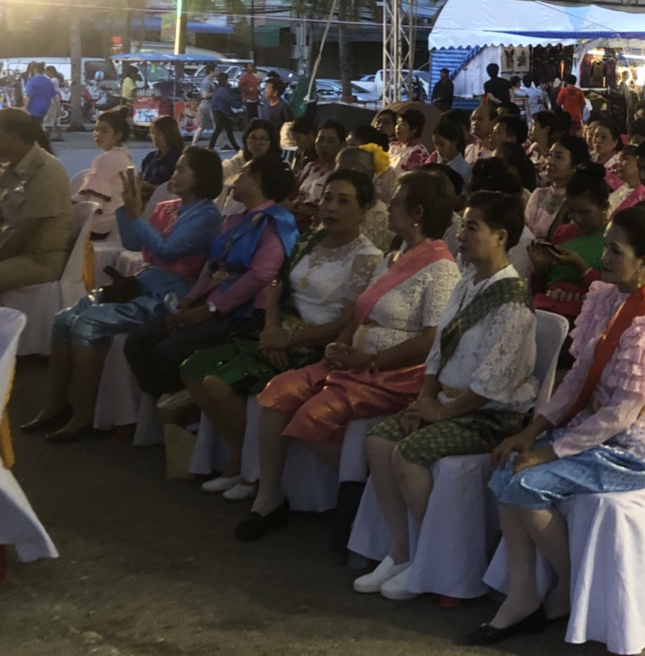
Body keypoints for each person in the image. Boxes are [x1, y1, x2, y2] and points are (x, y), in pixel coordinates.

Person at [472, 207, 645, 643]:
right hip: (600, 428)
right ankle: (523, 593)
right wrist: (532, 431)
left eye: (616, 251)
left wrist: (549, 452)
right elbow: (579, 377)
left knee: (526, 482)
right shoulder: (606, 297)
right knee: (507, 468)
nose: (604, 258)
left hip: (642, 447)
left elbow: (622, 414)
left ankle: (570, 582)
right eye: (606, 247)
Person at [243, 171, 461, 537]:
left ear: (418, 213)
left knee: (312, 416)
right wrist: (339, 346)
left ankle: (363, 495)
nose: (388, 207)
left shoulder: (441, 269)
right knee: (278, 392)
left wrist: (371, 361)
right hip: (356, 362)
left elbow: (430, 340)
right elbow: (360, 312)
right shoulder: (393, 257)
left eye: (396, 201)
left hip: (395, 374)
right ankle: (268, 498)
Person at [351, 191, 538, 588]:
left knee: (409, 454)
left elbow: (493, 381)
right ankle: (400, 551)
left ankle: (430, 558)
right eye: (462, 225)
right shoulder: (466, 281)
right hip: (445, 403)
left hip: (488, 415)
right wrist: (424, 399)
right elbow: (437, 351)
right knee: (379, 442)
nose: (461, 235)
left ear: (501, 236)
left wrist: (441, 412)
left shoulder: (512, 299)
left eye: (472, 227)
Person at [181, 169, 380, 497]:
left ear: (364, 210)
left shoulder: (367, 258)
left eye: (343, 201)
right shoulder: (310, 240)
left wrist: (289, 340)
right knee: (193, 368)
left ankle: (248, 469)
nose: (330, 207)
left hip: (314, 347)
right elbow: (276, 285)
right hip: (277, 332)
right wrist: (272, 327)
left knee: (218, 383)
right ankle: (240, 455)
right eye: (327, 198)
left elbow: (348, 323)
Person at [24, 150, 224, 441]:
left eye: (182, 170)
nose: (174, 175)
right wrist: (127, 207)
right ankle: (56, 404)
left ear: (201, 176)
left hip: (171, 295)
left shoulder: (207, 216)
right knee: (63, 319)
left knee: (87, 323)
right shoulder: (168, 207)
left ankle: (85, 414)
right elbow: (132, 242)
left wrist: (137, 216)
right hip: (143, 283)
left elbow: (167, 251)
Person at [123, 156, 299, 402]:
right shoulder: (238, 219)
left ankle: (181, 408)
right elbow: (214, 266)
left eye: (242, 174)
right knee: (138, 341)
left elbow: (261, 275)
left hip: (244, 313)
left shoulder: (276, 222)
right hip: (212, 302)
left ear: (256, 180)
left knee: (168, 350)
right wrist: (191, 299)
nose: (236, 180)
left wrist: (211, 309)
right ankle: (170, 404)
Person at [0, 109, 71, 300]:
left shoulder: (47, 171)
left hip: (39, 259)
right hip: (13, 250)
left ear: (13, 137)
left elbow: (25, 234)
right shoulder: (11, 168)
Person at [529, 166, 609, 320]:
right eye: (572, 212)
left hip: (584, 318)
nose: (577, 219)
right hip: (544, 310)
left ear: (604, 207)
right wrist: (540, 269)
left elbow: (611, 294)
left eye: (585, 212)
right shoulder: (562, 233)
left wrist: (580, 265)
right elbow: (543, 287)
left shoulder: (612, 239)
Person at [75, 108, 135, 238]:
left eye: (104, 131)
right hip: (117, 222)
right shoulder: (124, 156)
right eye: (96, 129)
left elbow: (93, 201)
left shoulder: (105, 159)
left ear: (118, 135)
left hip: (100, 225)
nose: (97, 134)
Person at [526, 134, 591, 241]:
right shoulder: (539, 194)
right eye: (550, 155)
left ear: (576, 166)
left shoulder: (580, 201)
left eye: (558, 157)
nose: (550, 161)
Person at [139, 115, 185, 197]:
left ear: (169, 134)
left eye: (159, 134)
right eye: (152, 134)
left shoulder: (179, 159)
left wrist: (149, 187)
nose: (155, 138)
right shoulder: (150, 157)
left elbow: (175, 189)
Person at [388, 109, 433, 174]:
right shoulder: (392, 145)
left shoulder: (419, 151)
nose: (397, 127)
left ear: (414, 129)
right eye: (397, 123)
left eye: (403, 124)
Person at [430, 116, 471, 186]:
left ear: (454, 141)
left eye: (441, 144)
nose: (438, 149)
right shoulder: (437, 165)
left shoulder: (464, 169)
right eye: (435, 144)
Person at [590, 116, 625, 192]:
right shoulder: (590, 157)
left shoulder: (620, 163)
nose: (598, 140)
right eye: (596, 136)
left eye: (603, 137)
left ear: (615, 142)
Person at [24, 61, 56, 131]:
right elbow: (54, 95)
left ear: (35, 70)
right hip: (46, 106)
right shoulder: (49, 81)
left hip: (33, 107)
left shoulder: (32, 81)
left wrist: (24, 107)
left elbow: (29, 96)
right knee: (39, 124)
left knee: (31, 126)